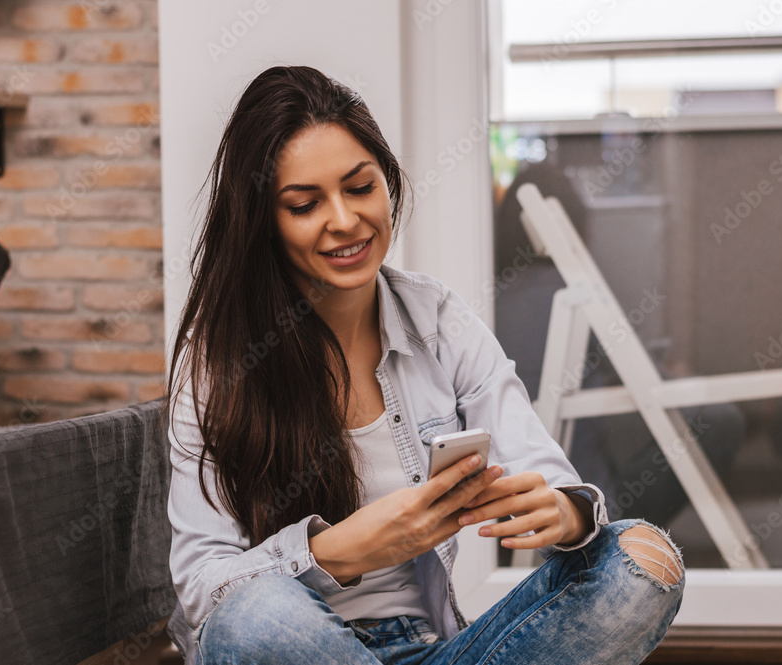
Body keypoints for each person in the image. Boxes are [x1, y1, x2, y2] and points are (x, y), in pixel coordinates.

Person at [166, 65, 684, 665]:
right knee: (254, 616)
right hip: (295, 648)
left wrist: (564, 512)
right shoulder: (217, 362)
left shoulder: (435, 316)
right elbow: (206, 592)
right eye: (306, 204)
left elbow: (547, 472)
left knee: (642, 560)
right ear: (265, 223)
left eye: (360, 188)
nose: (344, 220)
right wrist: (340, 551)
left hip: (431, 651)